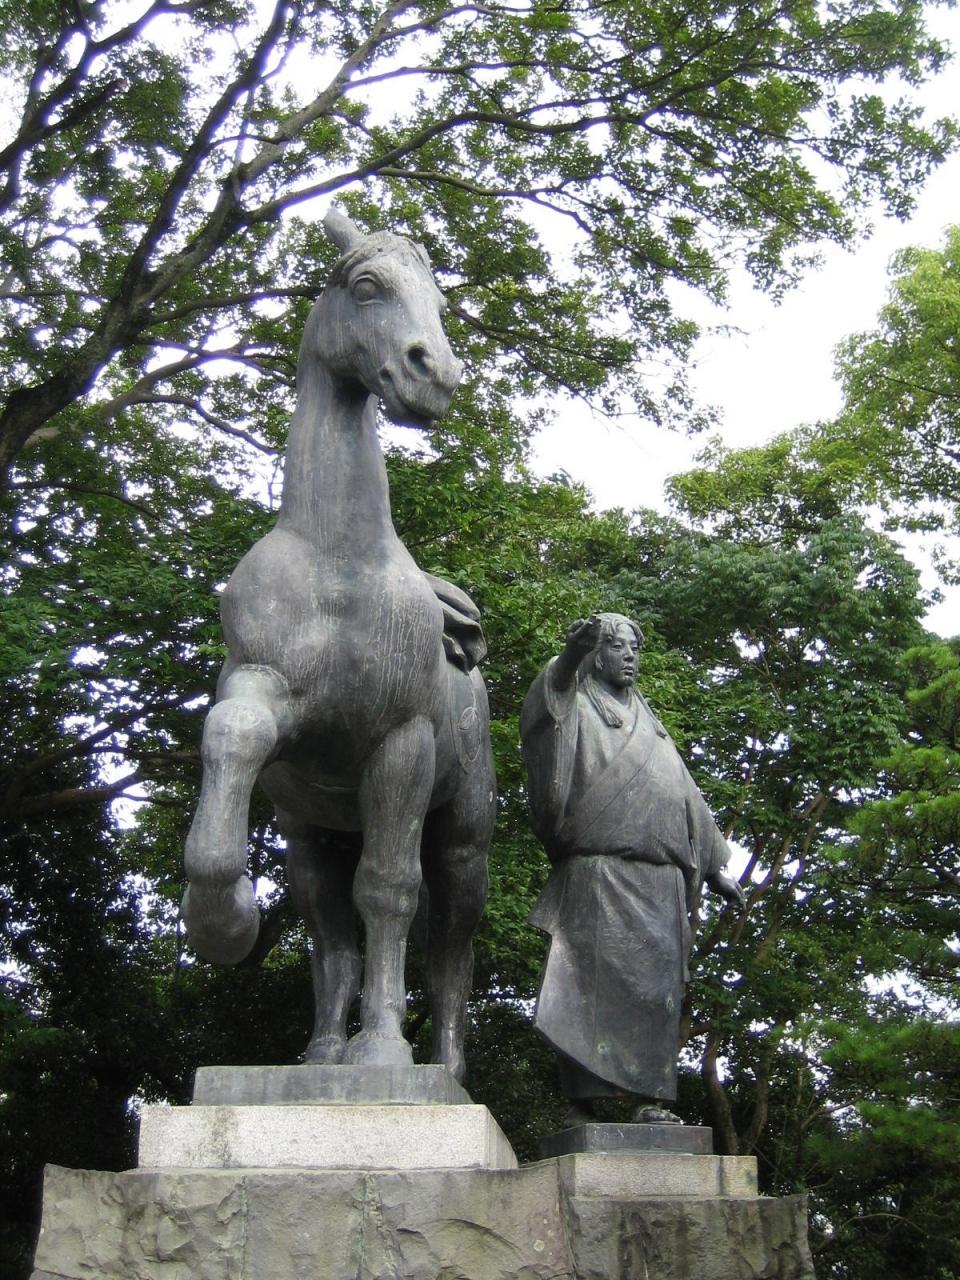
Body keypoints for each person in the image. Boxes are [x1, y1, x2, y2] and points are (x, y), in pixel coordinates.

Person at [521, 613, 744, 1125]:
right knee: (584, 991)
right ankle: (581, 1103)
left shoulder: (651, 723)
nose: (629, 656)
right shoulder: (575, 703)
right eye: (617, 646)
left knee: (656, 996)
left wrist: (715, 867)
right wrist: (571, 654)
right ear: (596, 655)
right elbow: (547, 702)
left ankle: (649, 1099)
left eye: (634, 649)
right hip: (598, 873)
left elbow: (684, 792)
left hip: (660, 881)